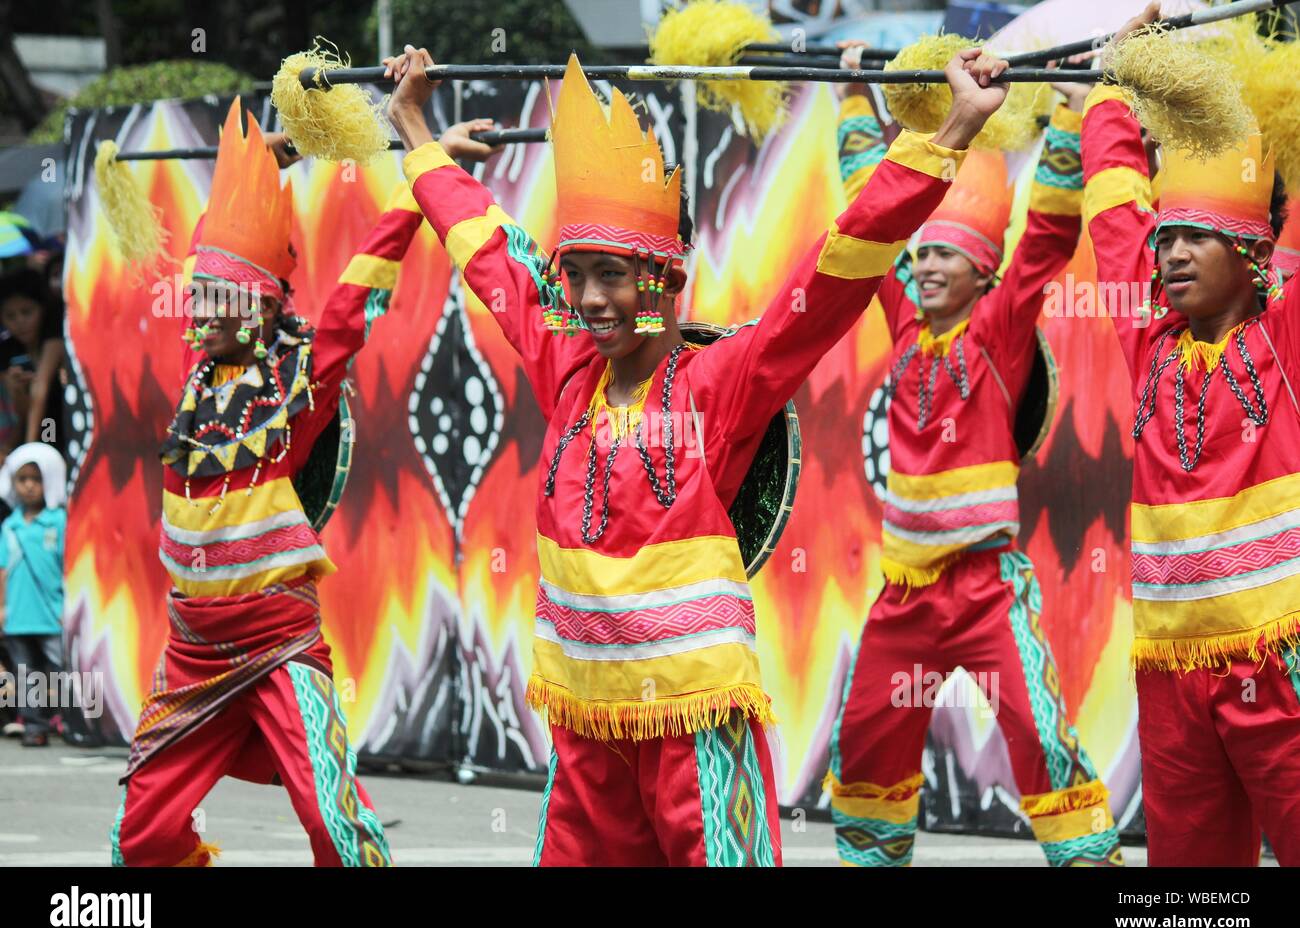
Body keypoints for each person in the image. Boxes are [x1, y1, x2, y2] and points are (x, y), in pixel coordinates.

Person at [384, 41, 1013, 865]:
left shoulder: (723, 383)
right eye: (575, 277)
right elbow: (487, 253)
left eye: (612, 276)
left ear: (667, 278)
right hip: (585, 732)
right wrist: (413, 130)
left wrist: (952, 130)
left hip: (696, 733)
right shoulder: (565, 368)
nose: (589, 300)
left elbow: (834, 272)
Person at [823, 48, 1123, 867]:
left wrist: (1068, 112)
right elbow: (869, 214)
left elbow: (1050, 237)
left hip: (986, 589)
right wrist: (854, 90)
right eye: (919, 256)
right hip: (905, 593)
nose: (922, 265)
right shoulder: (905, 324)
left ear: (983, 271)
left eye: (941, 255)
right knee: (868, 742)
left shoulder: (999, 332)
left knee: (1040, 741)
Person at [111, 99, 423, 867]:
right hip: (192, 651)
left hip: (280, 645)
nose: (204, 312)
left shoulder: (295, 388)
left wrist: (422, 182)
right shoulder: (197, 380)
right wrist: (268, 164)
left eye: (222, 300)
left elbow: (352, 301)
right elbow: (210, 241)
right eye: (199, 297)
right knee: (142, 840)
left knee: (333, 826)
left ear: (260, 307)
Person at [1082, 2, 1298, 865]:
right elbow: (1112, 215)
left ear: (1252, 257)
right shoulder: (1148, 335)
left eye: (1195, 238)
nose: (1168, 254)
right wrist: (1113, 81)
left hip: (1279, 663)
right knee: (1188, 890)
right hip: (1168, 671)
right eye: (1166, 237)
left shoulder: (1279, 340)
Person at [0, 443, 66, 747]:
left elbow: (69, 565)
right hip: (19, 615)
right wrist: (2, 607)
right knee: (25, 674)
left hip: (52, 612)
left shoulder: (59, 521)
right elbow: (2, 570)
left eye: (36, 479)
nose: (28, 486)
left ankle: (61, 718)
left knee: (57, 669)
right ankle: (34, 725)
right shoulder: (9, 526)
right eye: (22, 479)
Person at [0, 269, 66, 452]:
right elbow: (22, 412)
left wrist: (30, 450)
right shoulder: (7, 351)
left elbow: (41, 388)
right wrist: (18, 392)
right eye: (10, 316)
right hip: (42, 426)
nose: (20, 321)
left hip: (61, 422)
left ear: (42, 308)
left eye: (26, 312)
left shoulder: (54, 337)